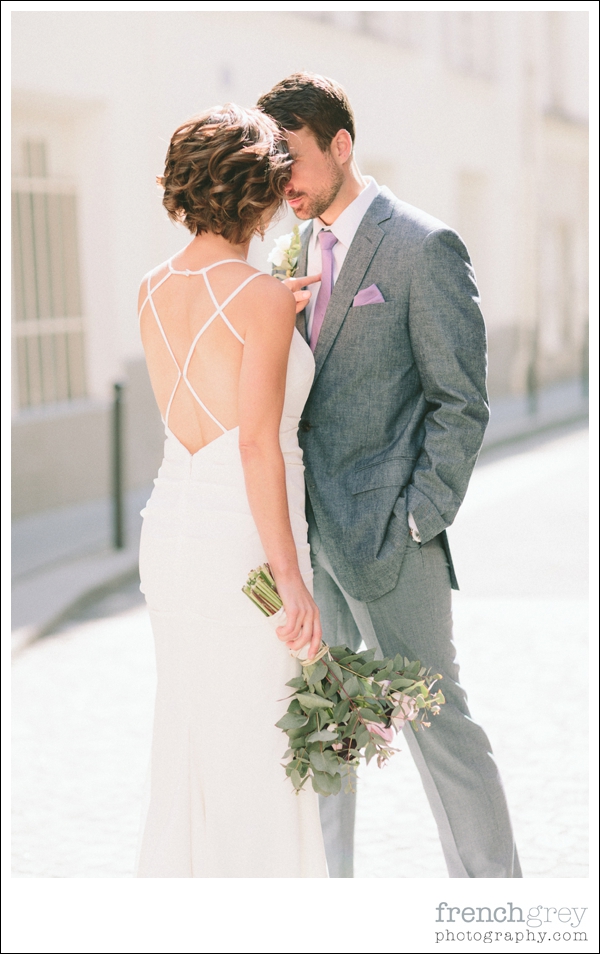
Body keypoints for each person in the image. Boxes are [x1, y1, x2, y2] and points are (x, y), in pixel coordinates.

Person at [258, 72, 522, 878]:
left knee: (436, 725)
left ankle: (494, 901)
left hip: (392, 542)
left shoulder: (421, 245)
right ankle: (329, 895)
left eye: (292, 159)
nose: (284, 183)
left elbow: (460, 402)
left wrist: (420, 516)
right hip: (312, 545)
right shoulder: (290, 250)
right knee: (324, 728)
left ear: (341, 145)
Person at [136, 104, 327, 877]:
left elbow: (205, 384)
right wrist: (289, 578)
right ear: (256, 193)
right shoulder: (257, 297)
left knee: (190, 726)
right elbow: (256, 445)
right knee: (257, 731)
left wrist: (274, 311)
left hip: (173, 528)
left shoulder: (150, 286)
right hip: (242, 543)